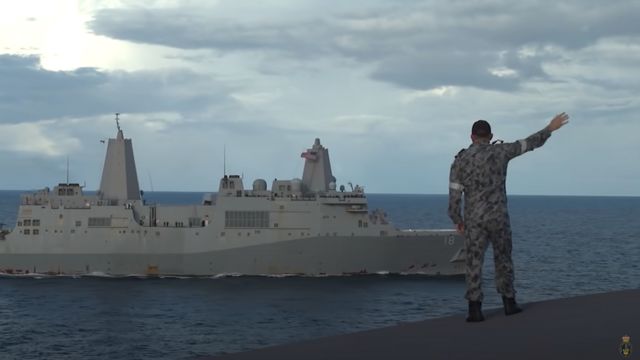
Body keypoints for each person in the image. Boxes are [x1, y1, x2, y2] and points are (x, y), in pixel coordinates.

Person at [448, 113, 569, 322]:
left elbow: (454, 196)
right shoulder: (501, 151)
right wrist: (549, 128)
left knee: (473, 263)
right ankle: (509, 303)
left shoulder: (460, 161)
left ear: (471, 137)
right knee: (503, 260)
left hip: (474, 221)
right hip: (498, 218)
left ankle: (475, 310)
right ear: (491, 135)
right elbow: (528, 143)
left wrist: (457, 220)